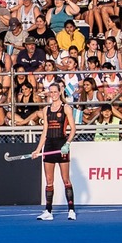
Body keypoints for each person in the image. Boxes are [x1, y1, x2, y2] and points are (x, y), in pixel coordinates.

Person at [35, 91, 77, 221]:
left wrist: (67, 143)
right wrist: (38, 149)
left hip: (61, 144)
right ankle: (48, 211)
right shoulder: (46, 109)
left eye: (55, 92)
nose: (53, 94)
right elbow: (45, 131)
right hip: (49, 145)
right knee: (49, 180)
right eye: (51, 92)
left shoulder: (66, 108)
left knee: (66, 179)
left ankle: (71, 210)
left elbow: (73, 129)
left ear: (59, 93)